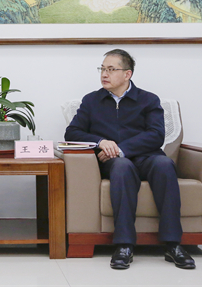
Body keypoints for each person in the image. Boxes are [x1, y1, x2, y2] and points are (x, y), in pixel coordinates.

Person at [64, 49, 195, 270]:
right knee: (122, 166)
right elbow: (72, 132)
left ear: (127, 74)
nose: (104, 74)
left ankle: (173, 244)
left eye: (111, 69)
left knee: (165, 164)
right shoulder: (92, 100)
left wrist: (120, 149)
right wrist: (101, 141)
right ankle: (124, 245)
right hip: (113, 163)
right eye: (102, 69)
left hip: (146, 158)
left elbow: (156, 135)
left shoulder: (148, 100)